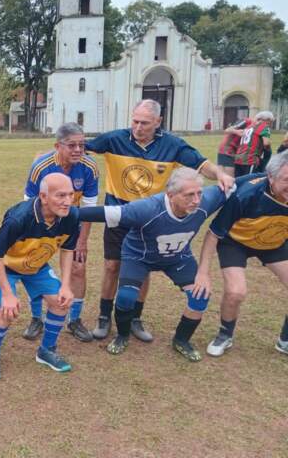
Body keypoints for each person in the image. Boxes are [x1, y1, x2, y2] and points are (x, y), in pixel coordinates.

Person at [86, 99, 233, 342]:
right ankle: (104, 316)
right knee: (112, 266)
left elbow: (201, 163)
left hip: (151, 219)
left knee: (142, 271)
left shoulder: (172, 145)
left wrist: (219, 174)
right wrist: (52, 152)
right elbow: (81, 147)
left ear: (158, 122)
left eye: (145, 123)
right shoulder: (114, 139)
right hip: (119, 213)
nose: (138, 127)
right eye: (135, 121)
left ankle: (135, 317)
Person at [78, 167, 229, 360]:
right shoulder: (147, 208)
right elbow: (104, 213)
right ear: (170, 194)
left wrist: (226, 177)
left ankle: (181, 340)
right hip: (138, 256)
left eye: (199, 193)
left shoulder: (205, 201)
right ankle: (122, 335)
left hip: (176, 257)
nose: (197, 200)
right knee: (125, 297)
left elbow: (242, 184)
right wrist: (64, 212)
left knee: (200, 296)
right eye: (189, 195)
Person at [0, 173, 79, 380]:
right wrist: (7, 294)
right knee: (8, 310)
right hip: (3, 264)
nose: (67, 201)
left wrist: (66, 285)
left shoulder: (71, 216)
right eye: (60, 196)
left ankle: (46, 351)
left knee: (61, 303)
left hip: (35, 263)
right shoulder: (20, 218)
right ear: (43, 197)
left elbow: (68, 250)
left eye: (70, 195)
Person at [193, 151, 288, 357]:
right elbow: (213, 234)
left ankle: (285, 340)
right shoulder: (247, 194)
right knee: (236, 292)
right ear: (270, 177)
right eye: (286, 180)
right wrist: (203, 271)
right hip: (236, 242)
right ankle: (225, 334)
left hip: (274, 241)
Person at [22, 122, 98, 343]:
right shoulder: (40, 167)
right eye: (72, 145)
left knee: (78, 267)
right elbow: (29, 206)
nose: (77, 150)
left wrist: (82, 241)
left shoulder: (89, 167)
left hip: (72, 223)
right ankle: (36, 318)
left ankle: (74, 320)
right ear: (58, 146)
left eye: (81, 145)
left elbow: (88, 209)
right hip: (41, 223)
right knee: (33, 266)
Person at [233, 111, 273, 177]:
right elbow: (266, 143)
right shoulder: (264, 126)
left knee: (237, 181)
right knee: (248, 181)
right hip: (250, 159)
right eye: (271, 122)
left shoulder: (249, 126)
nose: (271, 124)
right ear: (268, 120)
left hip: (238, 158)